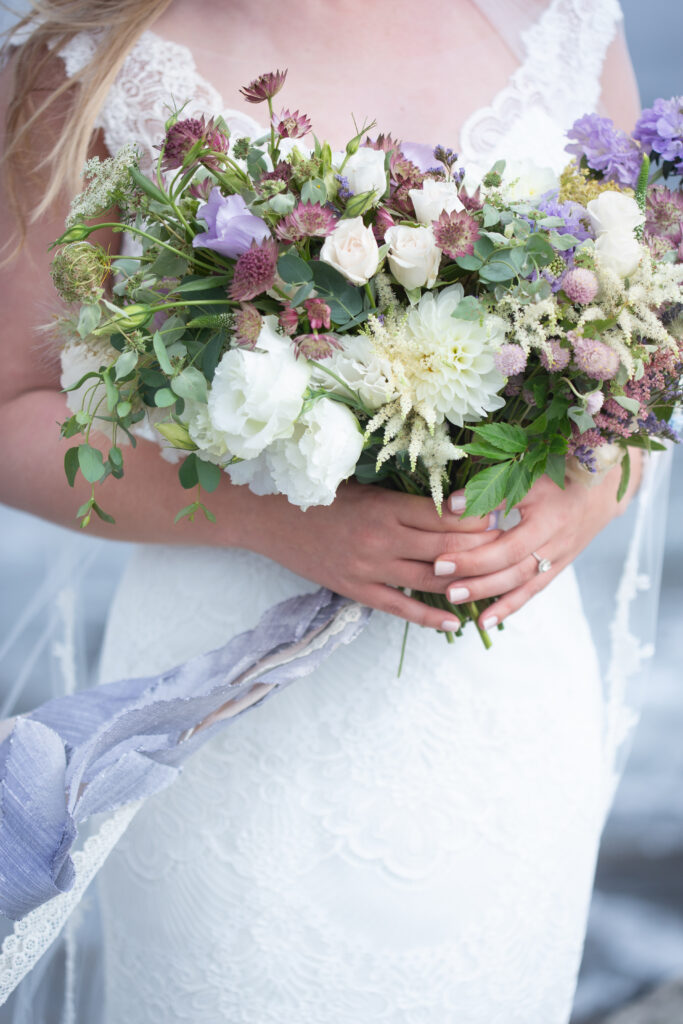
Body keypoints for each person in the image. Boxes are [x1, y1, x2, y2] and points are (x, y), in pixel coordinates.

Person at [0, 1, 652, 1021]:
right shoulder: (95, 58)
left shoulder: (564, 24)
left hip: (496, 715)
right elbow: (13, 406)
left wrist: (586, 495)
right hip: (227, 715)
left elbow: (641, 369)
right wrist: (272, 520)